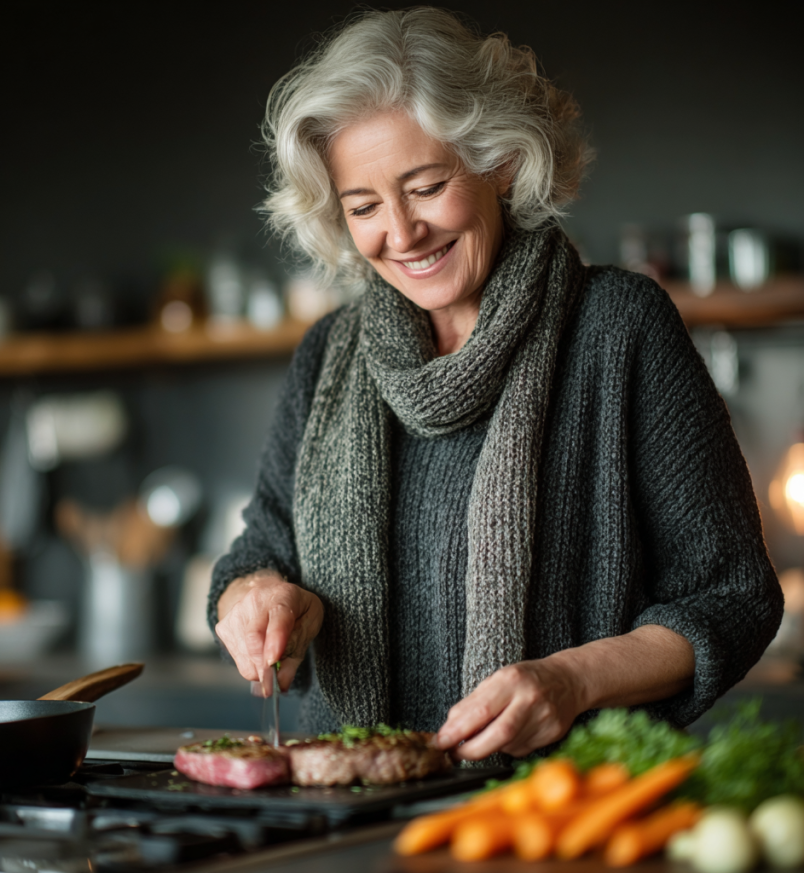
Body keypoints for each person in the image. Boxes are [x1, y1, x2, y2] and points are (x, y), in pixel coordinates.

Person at [208, 7, 783, 763]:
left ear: (500, 162)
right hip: (349, 802)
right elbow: (259, 551)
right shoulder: (328, 354)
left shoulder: (617, 327)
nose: (401, 233)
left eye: (425, 186)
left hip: (559, 806)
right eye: (364, 206)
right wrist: (254, 597)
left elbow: (732, 596)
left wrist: (572, 681)